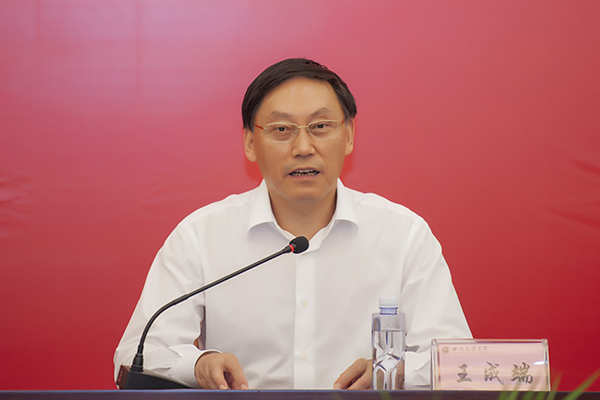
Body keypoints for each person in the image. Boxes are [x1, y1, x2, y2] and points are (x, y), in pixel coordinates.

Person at [114, 58, 471, 390]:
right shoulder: (201, 236)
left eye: (320, 127)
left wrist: (395, 371)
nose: (303, 147)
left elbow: (461, 365)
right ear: (250, 143)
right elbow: (134, 355)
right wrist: (198, 364)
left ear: (348, 135)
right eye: (282, 129)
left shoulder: (404, 235)